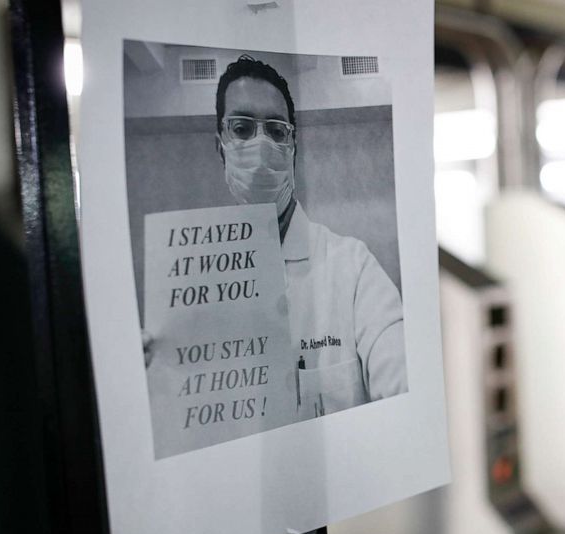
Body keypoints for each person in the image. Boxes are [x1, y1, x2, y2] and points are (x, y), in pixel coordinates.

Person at [148, 54, 407, 419]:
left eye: (276, 129)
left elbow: (401, 374)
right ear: (219, 145)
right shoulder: (186, 285)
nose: (261, 145)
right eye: (241, 128)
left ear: (293, 148)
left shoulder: (353, 267)